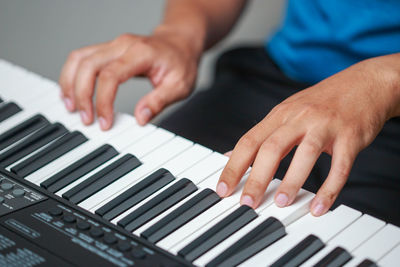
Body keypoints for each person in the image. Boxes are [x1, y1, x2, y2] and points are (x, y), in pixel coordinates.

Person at [59, 0, 400, 225]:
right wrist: (179, 34)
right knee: (112, 215)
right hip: (274, 80)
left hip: (391, 114)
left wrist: (380, 83)